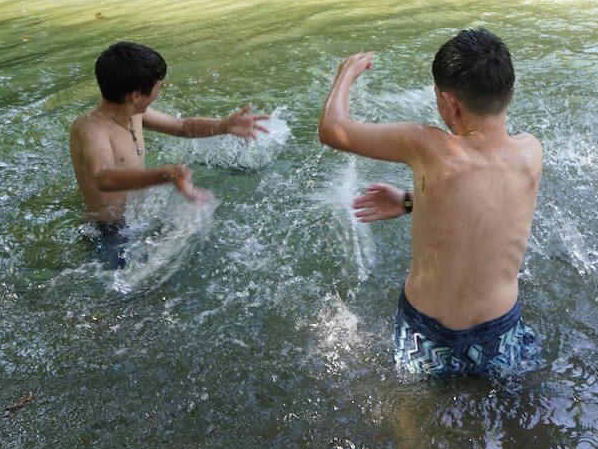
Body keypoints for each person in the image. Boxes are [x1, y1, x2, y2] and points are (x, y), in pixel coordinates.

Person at [318, 28, 543, 379]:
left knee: (415, 418)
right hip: (500, 330)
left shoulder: (427, 145)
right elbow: (486, 210)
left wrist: (345, 72)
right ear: (508, 93)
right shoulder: (531, 152)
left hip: (428, 334)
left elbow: (333, 129)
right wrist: (410, 202)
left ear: (450, 102)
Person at [69, 41, 269, 267]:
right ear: (136, 95)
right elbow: (102, 177)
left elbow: (183, 126)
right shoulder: (92, 128)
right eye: (158, 87)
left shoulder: (135, 113)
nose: (159, 92)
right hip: (109, 232)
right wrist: (165, 174)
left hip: (139, 218)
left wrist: (223, 125)